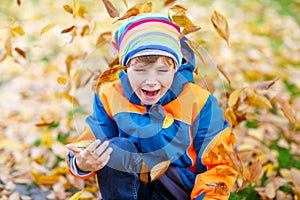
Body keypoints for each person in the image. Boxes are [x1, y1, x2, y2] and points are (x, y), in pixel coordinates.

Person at [66, 13, 237, 200]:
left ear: (176, 68)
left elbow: (220, 166)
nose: (151, 81)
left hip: (178, 189)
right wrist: (81, 163)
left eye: (162, 71)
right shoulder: (110, 95)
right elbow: (92, 143)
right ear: (125, 67)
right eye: (140, 70)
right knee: (114, 148)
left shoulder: (200, 102)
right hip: (132, 189)